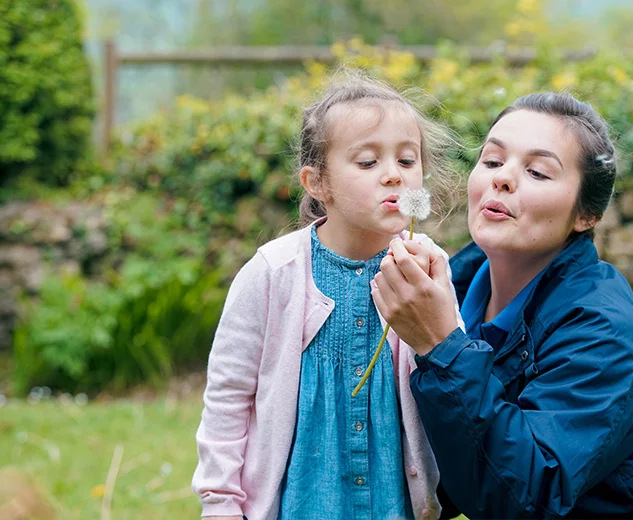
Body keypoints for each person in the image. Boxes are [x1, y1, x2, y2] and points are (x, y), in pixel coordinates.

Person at [372, 92, 633, 519]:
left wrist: (442, 347)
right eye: (492, 161)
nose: (503, 179)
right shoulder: (447, 291)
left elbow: (523, 497)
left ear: (586, 215)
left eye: (538, 172)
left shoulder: (604, 330)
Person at [192, 73, 460, 520]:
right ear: (317, 183)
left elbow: (453, 374)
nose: (394, 175)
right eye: (368, 162)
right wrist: (220, 504)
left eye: (407, 160)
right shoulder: (272, 273)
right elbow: (227, 397)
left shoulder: (427, 268)